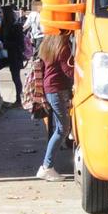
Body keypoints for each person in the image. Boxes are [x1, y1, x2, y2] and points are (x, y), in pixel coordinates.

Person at [36, 31, 74, 181]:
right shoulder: (63, 47)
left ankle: (47, 166)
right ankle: (47, 166)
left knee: (61, 128)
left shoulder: (48, 44)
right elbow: (68, 70)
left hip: (51, 88)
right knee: (62, 129)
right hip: (57, 89)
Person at [0, 5, 25, 106]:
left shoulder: (16, 26)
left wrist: (5, 44)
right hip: (2, 54)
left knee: (15, 77)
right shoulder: (3, 25)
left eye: (1, 13)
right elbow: (0, 38)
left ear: (6, 14)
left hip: (14, 55)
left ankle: (18, 100)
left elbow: (20, 44)